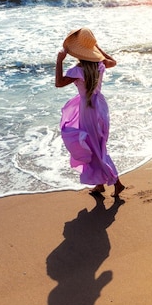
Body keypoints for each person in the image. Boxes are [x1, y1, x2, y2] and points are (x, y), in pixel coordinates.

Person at [55, 28, 125, 197]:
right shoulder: (100, 65)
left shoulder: (78, 70)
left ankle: (117, 183)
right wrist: (98, 49)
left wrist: (59, 61)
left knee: (94, 147)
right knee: (97, 145)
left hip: (88, 110)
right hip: (100, 107)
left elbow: (58, 83)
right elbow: (112, 61)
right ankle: (99, 185)